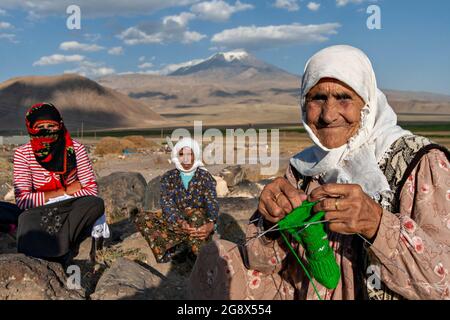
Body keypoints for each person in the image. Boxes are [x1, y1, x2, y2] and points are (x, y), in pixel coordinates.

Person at [188, 45, 450, 300]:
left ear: (367, 102)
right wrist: (270, 223)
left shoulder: (420, 163)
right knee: (220, 260)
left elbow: (444, 284)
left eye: (344, 98)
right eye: (318, 98)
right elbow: (262, 262)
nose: (328, 114)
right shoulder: (303, 169)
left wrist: (378, 224)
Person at [13, 103, 107, 266]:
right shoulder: (23, 153)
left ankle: (60, 247)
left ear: (60, 125)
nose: (47, 130)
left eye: (51, 126)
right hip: (40, 209)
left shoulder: (76, 149)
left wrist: (58, 197)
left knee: (96, 204)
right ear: (31, 127)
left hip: (71, 204)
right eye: (40, 126)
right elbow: (23, 200)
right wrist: (64, 191)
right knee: (26, 217)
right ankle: (62, 250)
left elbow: (91, 189)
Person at [135, 137, 219, 263]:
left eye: (190, 154)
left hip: (200, 223)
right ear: (176, 156)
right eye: (181, 154)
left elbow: (211, 202)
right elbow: (167, 203)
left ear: (195, 155)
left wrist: (211, 224)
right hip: (178, 221)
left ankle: (198, 259)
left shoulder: (204, 177)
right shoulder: (169, 177)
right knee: (142, 218)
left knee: (195, 216)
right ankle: (175, 251)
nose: (185, 158)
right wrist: (180, 221)